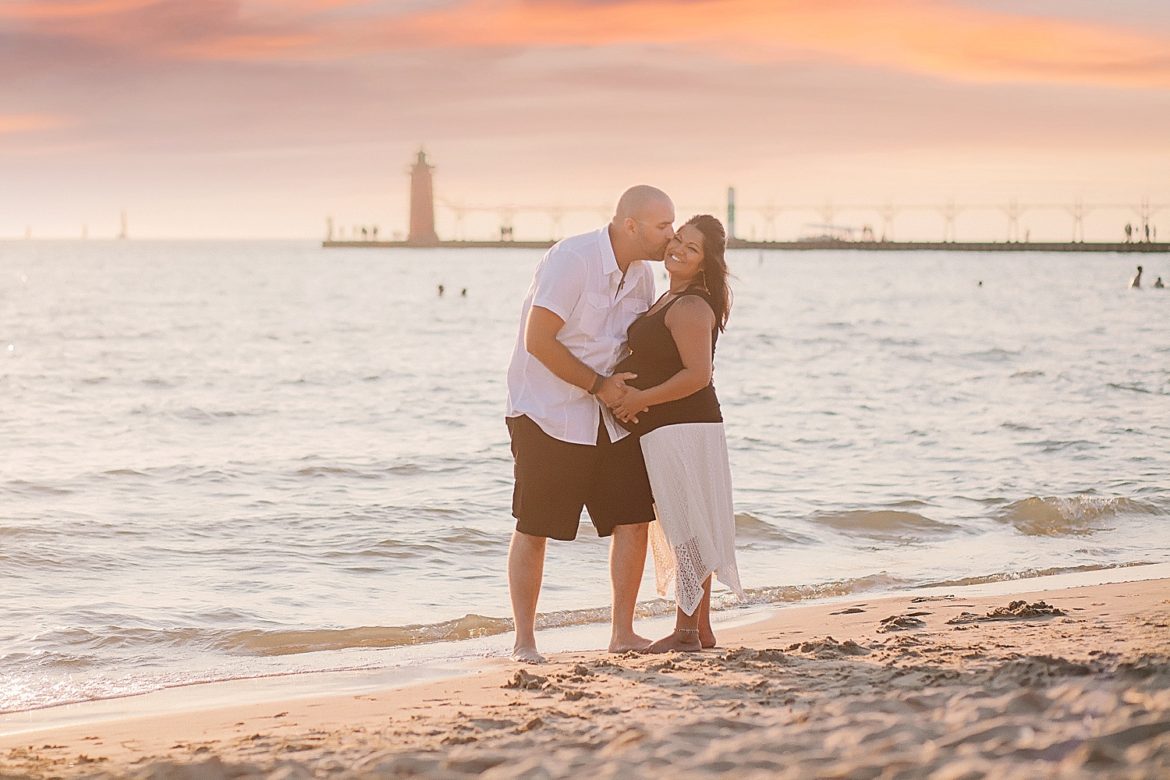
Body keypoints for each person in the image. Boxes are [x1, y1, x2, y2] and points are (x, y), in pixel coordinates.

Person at [504, 185, 676, 663]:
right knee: (535, 525)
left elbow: (636, 344)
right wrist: (599, 385)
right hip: (546, 410)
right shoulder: (572, 259)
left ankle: (623, 632)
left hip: (611, 416)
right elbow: (538, 339)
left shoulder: (642, 275)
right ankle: (525, 641)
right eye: (663, 226)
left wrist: (635, 397)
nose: (671, 234)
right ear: (630, 226)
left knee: (632, 517)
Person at [611, 215, 745, 653]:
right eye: (678, 240)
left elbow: (697, 376)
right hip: (671, 426)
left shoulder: (689, 306)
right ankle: (701, 630)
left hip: (684, 426)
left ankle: (686, 631)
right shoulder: (672, 296)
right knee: (689, 524)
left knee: (686, 528)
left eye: (691, 249)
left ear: (705, 263)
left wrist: (639, 398)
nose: (678, 250)